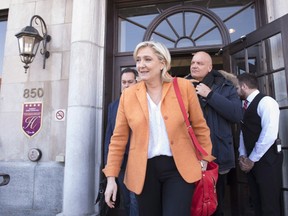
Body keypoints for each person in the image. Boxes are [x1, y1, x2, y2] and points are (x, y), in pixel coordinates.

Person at [103, 41, 214, 216]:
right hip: (143, 172)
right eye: (138, 60)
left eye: (147, 59)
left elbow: (201, 127)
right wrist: (111, 178)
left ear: (162, 63)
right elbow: (118, 140)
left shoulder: (183, 87)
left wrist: (205, 158)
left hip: (179, 169)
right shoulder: (128, 96)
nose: (141, 65)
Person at [185, 51, 243, 216]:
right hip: (189, 156)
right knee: (191, 204)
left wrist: (209, 95)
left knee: (214, 205)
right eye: (193, 63)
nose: (195, 66)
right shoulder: (182, 86)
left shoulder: (226, 86)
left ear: (210, 67)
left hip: (217, 157)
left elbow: (236, 115)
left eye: (200, 63)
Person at [237, 73, 283, 216]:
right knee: (257, 201)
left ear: (244, 86)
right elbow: (243, 132)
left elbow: (269, 134)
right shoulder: (243, 105)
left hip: (268, 161)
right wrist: (242, 155)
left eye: (236, 87)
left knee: (269, 204)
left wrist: (252, 159)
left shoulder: (267, 102)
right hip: (252, 162)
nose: (235, 91)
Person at [104, 67, 139, 216]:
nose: (126, 85)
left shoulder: (144, 103)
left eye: (130, 81)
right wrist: (109, 166)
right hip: (122, 163)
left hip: (139, 161)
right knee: (127, 202)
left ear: (137, 82)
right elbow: (109, 137)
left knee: (136, 200)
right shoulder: (113, 106)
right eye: (123, 82)